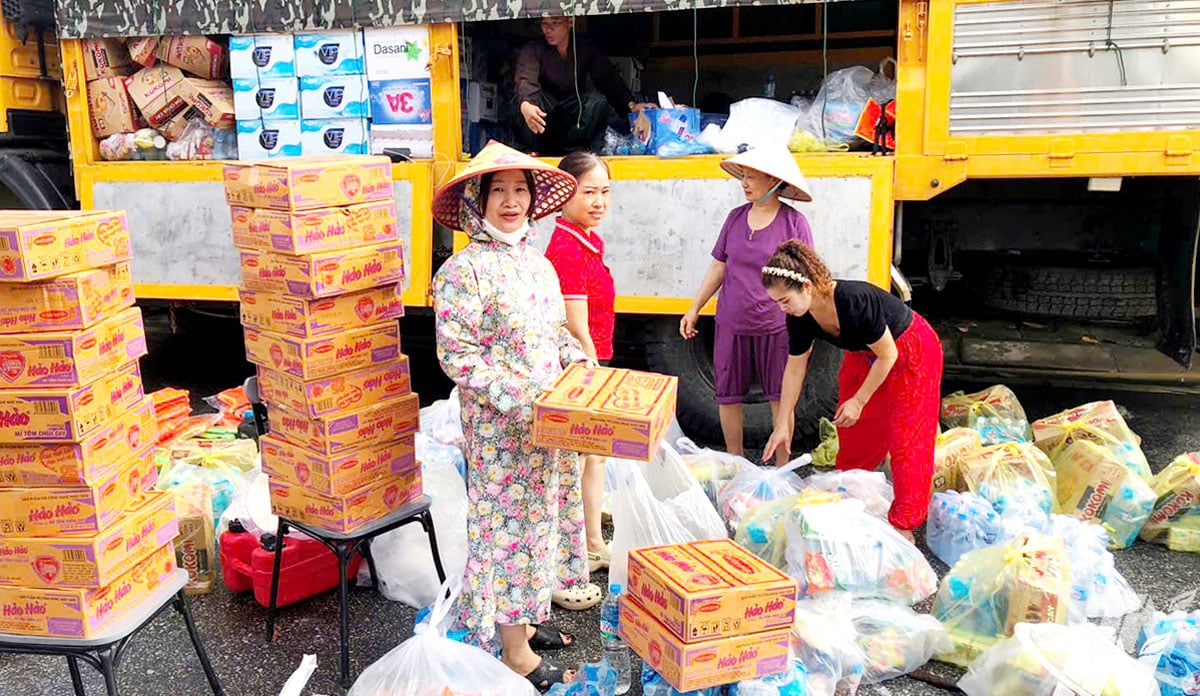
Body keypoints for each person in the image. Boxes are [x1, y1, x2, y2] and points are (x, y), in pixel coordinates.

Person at [431, 141, 588, 691]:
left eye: (521, 189)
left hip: (550, 427)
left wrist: (577, 359)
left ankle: (522, 621)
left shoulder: (537, 263)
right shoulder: (462, 270)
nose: (511, 201)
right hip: (502, 434)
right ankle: (513, 650)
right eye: (498, 190)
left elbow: (553, 337)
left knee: (541, 526)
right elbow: (458, 357)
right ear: (477, 201)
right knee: (506, 533)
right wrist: (523, 395)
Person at [759, 241, 944, 539]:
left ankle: (904, 525)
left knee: (906, 437)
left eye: (784, 300)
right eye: (777, 302)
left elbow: (889, 355)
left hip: (910, 349)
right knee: (855, 428)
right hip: (864, 353)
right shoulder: (800, 316)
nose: (783, 309)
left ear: (806, 286)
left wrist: (860, 400)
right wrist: (782, 422)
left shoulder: (852, 300)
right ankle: (851, 494)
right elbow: (795, 368)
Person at [680, 147, 814, 465]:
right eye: (744, 175)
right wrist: (694, 306)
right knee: (727, 395)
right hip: (731, 322)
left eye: (752, 176)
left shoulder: (794, 222)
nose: (745, 182)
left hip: (777, 326)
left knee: (781, 398)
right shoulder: (735, 218)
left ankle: (784, 466)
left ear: (774, 180)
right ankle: (735, 462)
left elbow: (807, 274)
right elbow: (719, 266)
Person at [543, 151, 615, 612]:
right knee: (587, 455)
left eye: (605, 192)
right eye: (588, 192)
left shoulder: (586, 239)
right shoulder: (566, 248)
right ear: (565, 194)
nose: (598, 201)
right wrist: (593, 376)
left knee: (595, 455)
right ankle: (590, 544)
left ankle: (592, 527)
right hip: (581, 364)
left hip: (595, 357)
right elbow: (575, 326)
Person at [514, 16, 652, 154]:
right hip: (544, 112)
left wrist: (631, 105)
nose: (548, 30)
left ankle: (576, 150)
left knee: (597, 102)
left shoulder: (583, 47)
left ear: (570, 22)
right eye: (544, 23)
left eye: (555, 23)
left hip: (572, 111)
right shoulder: (533, 48)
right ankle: (529, 149)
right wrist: (527, 103)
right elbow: (526, 78)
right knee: (524, 105)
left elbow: (608, 79)